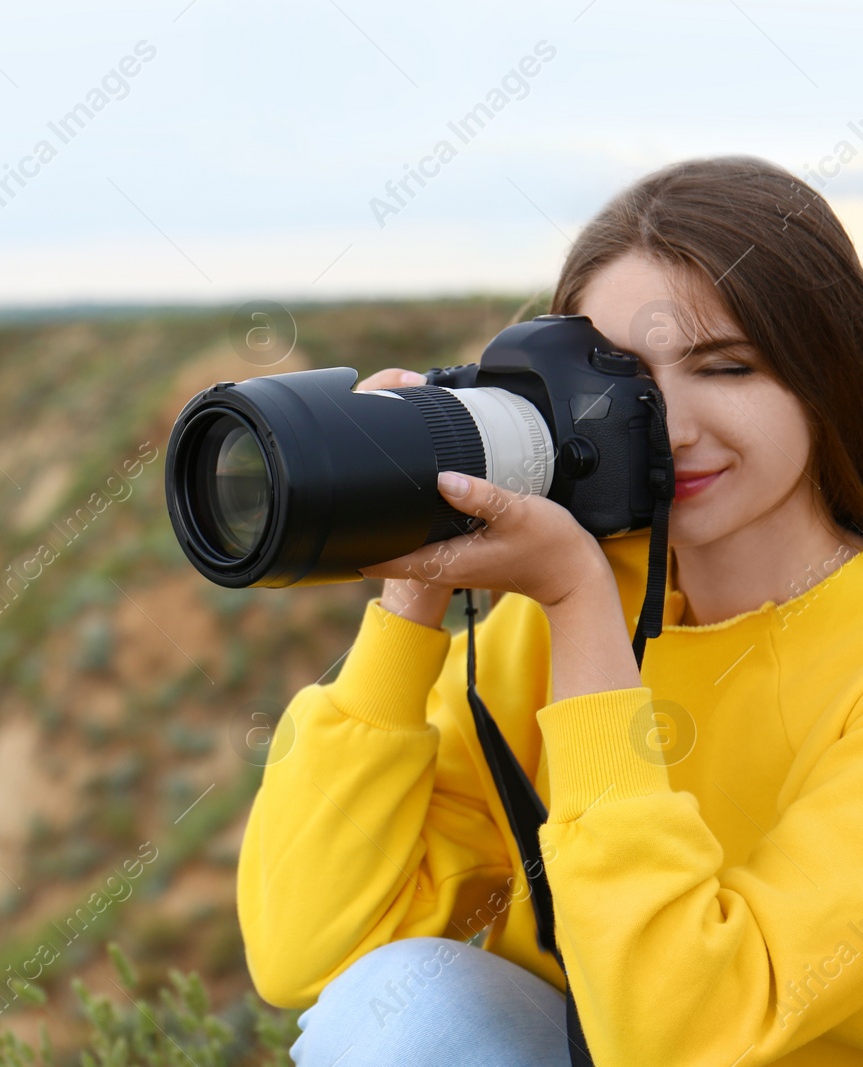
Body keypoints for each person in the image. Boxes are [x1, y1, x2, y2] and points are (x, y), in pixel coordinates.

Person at [235, 154, 863, 1066]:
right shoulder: (556, 614)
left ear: (827, 368)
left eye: (726, 367)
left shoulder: (585, 601)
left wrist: (581, 614)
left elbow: (678, 1038)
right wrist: (413, 593)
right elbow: (310, 952)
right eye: (625, 383)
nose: (671, 427)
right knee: (395, 1009)